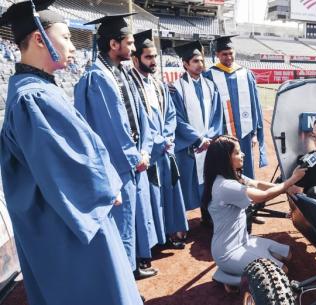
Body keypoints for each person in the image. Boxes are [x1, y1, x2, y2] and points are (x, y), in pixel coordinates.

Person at [0, 1, 142, 304]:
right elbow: (67, 169)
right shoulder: (33, 97)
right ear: (39, 39)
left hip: (68, 221)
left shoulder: (37, 89)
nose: (74, 47)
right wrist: (106, 189)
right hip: (70, 228)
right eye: (65, 37)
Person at [73, 13, 158, 279]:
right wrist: (135, 157)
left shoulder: (120, 72)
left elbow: (140, 115)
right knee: (121, 224)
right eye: (130, 43)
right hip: (117, 165)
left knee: (132, 219)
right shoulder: (97, 78)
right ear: (113, 44)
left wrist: (145, 147)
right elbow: (112, 129)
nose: (133, 48)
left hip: (133, 159)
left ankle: (131, 270)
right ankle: (122, 282)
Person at [202, 135, 306, 292]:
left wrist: (287, 187)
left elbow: (257, 184)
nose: (242, 154)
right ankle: (227, 276)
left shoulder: (232, 176)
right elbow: (262, 196)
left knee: (288, 254)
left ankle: (233, 273)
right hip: (228, 252)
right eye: (237, 152)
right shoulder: (225, 186)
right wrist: (291, 181)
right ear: (225, 158)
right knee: (280, 272)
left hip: (244, 241)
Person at [129, 29, 189, 249]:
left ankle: (172, 233)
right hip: (148, 152)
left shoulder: (159, 85)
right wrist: (157, 142)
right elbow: (138, 123)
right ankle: (153, 241)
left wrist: (168, 136)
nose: (153, 61)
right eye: (148, 57)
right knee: (152, 196)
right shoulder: (129, 86)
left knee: (170, 191)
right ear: (136, 59)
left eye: (155, 56)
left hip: (165, 147)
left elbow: (170, 115)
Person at [170, 40, 223, 227]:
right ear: (185, 64)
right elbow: (176, 118)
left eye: (201, 61)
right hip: (190, 146)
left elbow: (218, 115)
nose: (200, 65)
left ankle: (208, 215)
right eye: (195, 61)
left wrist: (209, 138)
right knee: (186, 182)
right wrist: (198, 139)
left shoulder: (211, 85)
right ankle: (180, 223)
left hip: (208, 143)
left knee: (211, 180)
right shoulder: (175, 88)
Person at [203, 35, 267, 179]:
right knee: (225, 165)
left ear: (234, 53)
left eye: (230, 53)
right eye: (224, 54)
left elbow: (254, 104)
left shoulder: (245, 74)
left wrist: (255, 132)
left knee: (246, 165)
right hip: (223, 132)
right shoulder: (209, 75)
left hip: (244, 132)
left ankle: (249, 196)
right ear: (217, 55)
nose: (228, 57)